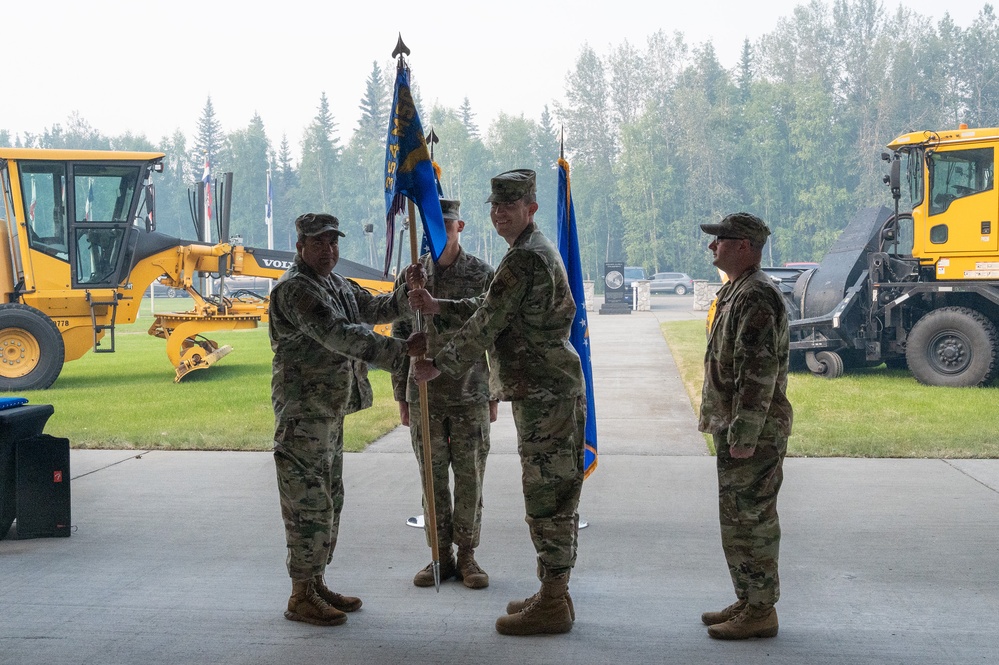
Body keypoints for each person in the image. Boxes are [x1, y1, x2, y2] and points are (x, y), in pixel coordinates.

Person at [409, 170, 585, 636]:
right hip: (547, 391)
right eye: (494, 205)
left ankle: (553, 600)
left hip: (546, 394)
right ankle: (554, 592)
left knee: (548, 499)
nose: (499, 212)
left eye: (510, 204)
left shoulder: (525, 259)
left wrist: (437, 364)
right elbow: (491, 305)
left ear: (531, 207)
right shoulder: (528, 253)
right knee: (552, 495)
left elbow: (487, 323)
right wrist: (438, 307)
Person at [269, 212, 426, 627]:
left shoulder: (335, 284)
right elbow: (340, 333)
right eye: (319, 243)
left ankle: (315, 581)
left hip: (328, 411)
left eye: (333, 243)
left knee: (329, 500)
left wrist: (405, 290)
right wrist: (401, 352)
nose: (329, 250)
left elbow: (372, 308)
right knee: (308, 505)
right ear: (300, 246)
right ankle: (300, 593)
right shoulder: (296, 291)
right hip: (303, 414)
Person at [391, 198, 498, 589]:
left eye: (446, 226)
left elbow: (490, 324)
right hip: (424, 396)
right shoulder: (413, 277)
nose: (439, 234)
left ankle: (468, 555)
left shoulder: (482, 274)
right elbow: (400, 334)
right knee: (431, 479)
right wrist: (401, 396)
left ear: (460, 227)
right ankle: (440, 556)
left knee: (470, 478)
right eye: (432, 227)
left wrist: (493, 395)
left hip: (470, 390)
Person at [697, 212, 793, 640]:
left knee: (752, 519)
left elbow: (758, 372)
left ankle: (761, 610)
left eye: (720, 240)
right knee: (736, 519)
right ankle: (748, 598)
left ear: (744, 246)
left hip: (752, 431)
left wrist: (745, 434)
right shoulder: (739, 289)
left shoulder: (757, 297)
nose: (712, 247)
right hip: (735, 426)